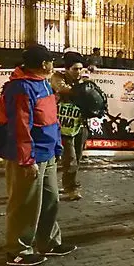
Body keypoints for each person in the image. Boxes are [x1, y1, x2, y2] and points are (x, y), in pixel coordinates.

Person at [0, 44, 77, 266]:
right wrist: (26, 159)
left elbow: (51, 119)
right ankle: (18, 249)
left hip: (46, 152)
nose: (53, 65)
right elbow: (20, 127)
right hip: (29, 155)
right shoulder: (20, 88)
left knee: (50, 200)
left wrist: (56, 147)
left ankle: (47, 241)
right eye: (51, 62)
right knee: (25, 203)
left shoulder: (43, 84)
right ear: (44, 64)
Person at [50, 52, 89, 202]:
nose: (78, 72)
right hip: (63, 125)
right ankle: (71, 188)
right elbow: (62, 89)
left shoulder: (83, 81)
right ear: (67, 69)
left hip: (79, 125)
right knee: (70, 158)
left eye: (80, 69)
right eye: (75, 69)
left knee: (76, 158)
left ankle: (66, 183)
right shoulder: (58, 78)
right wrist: (83, 89)